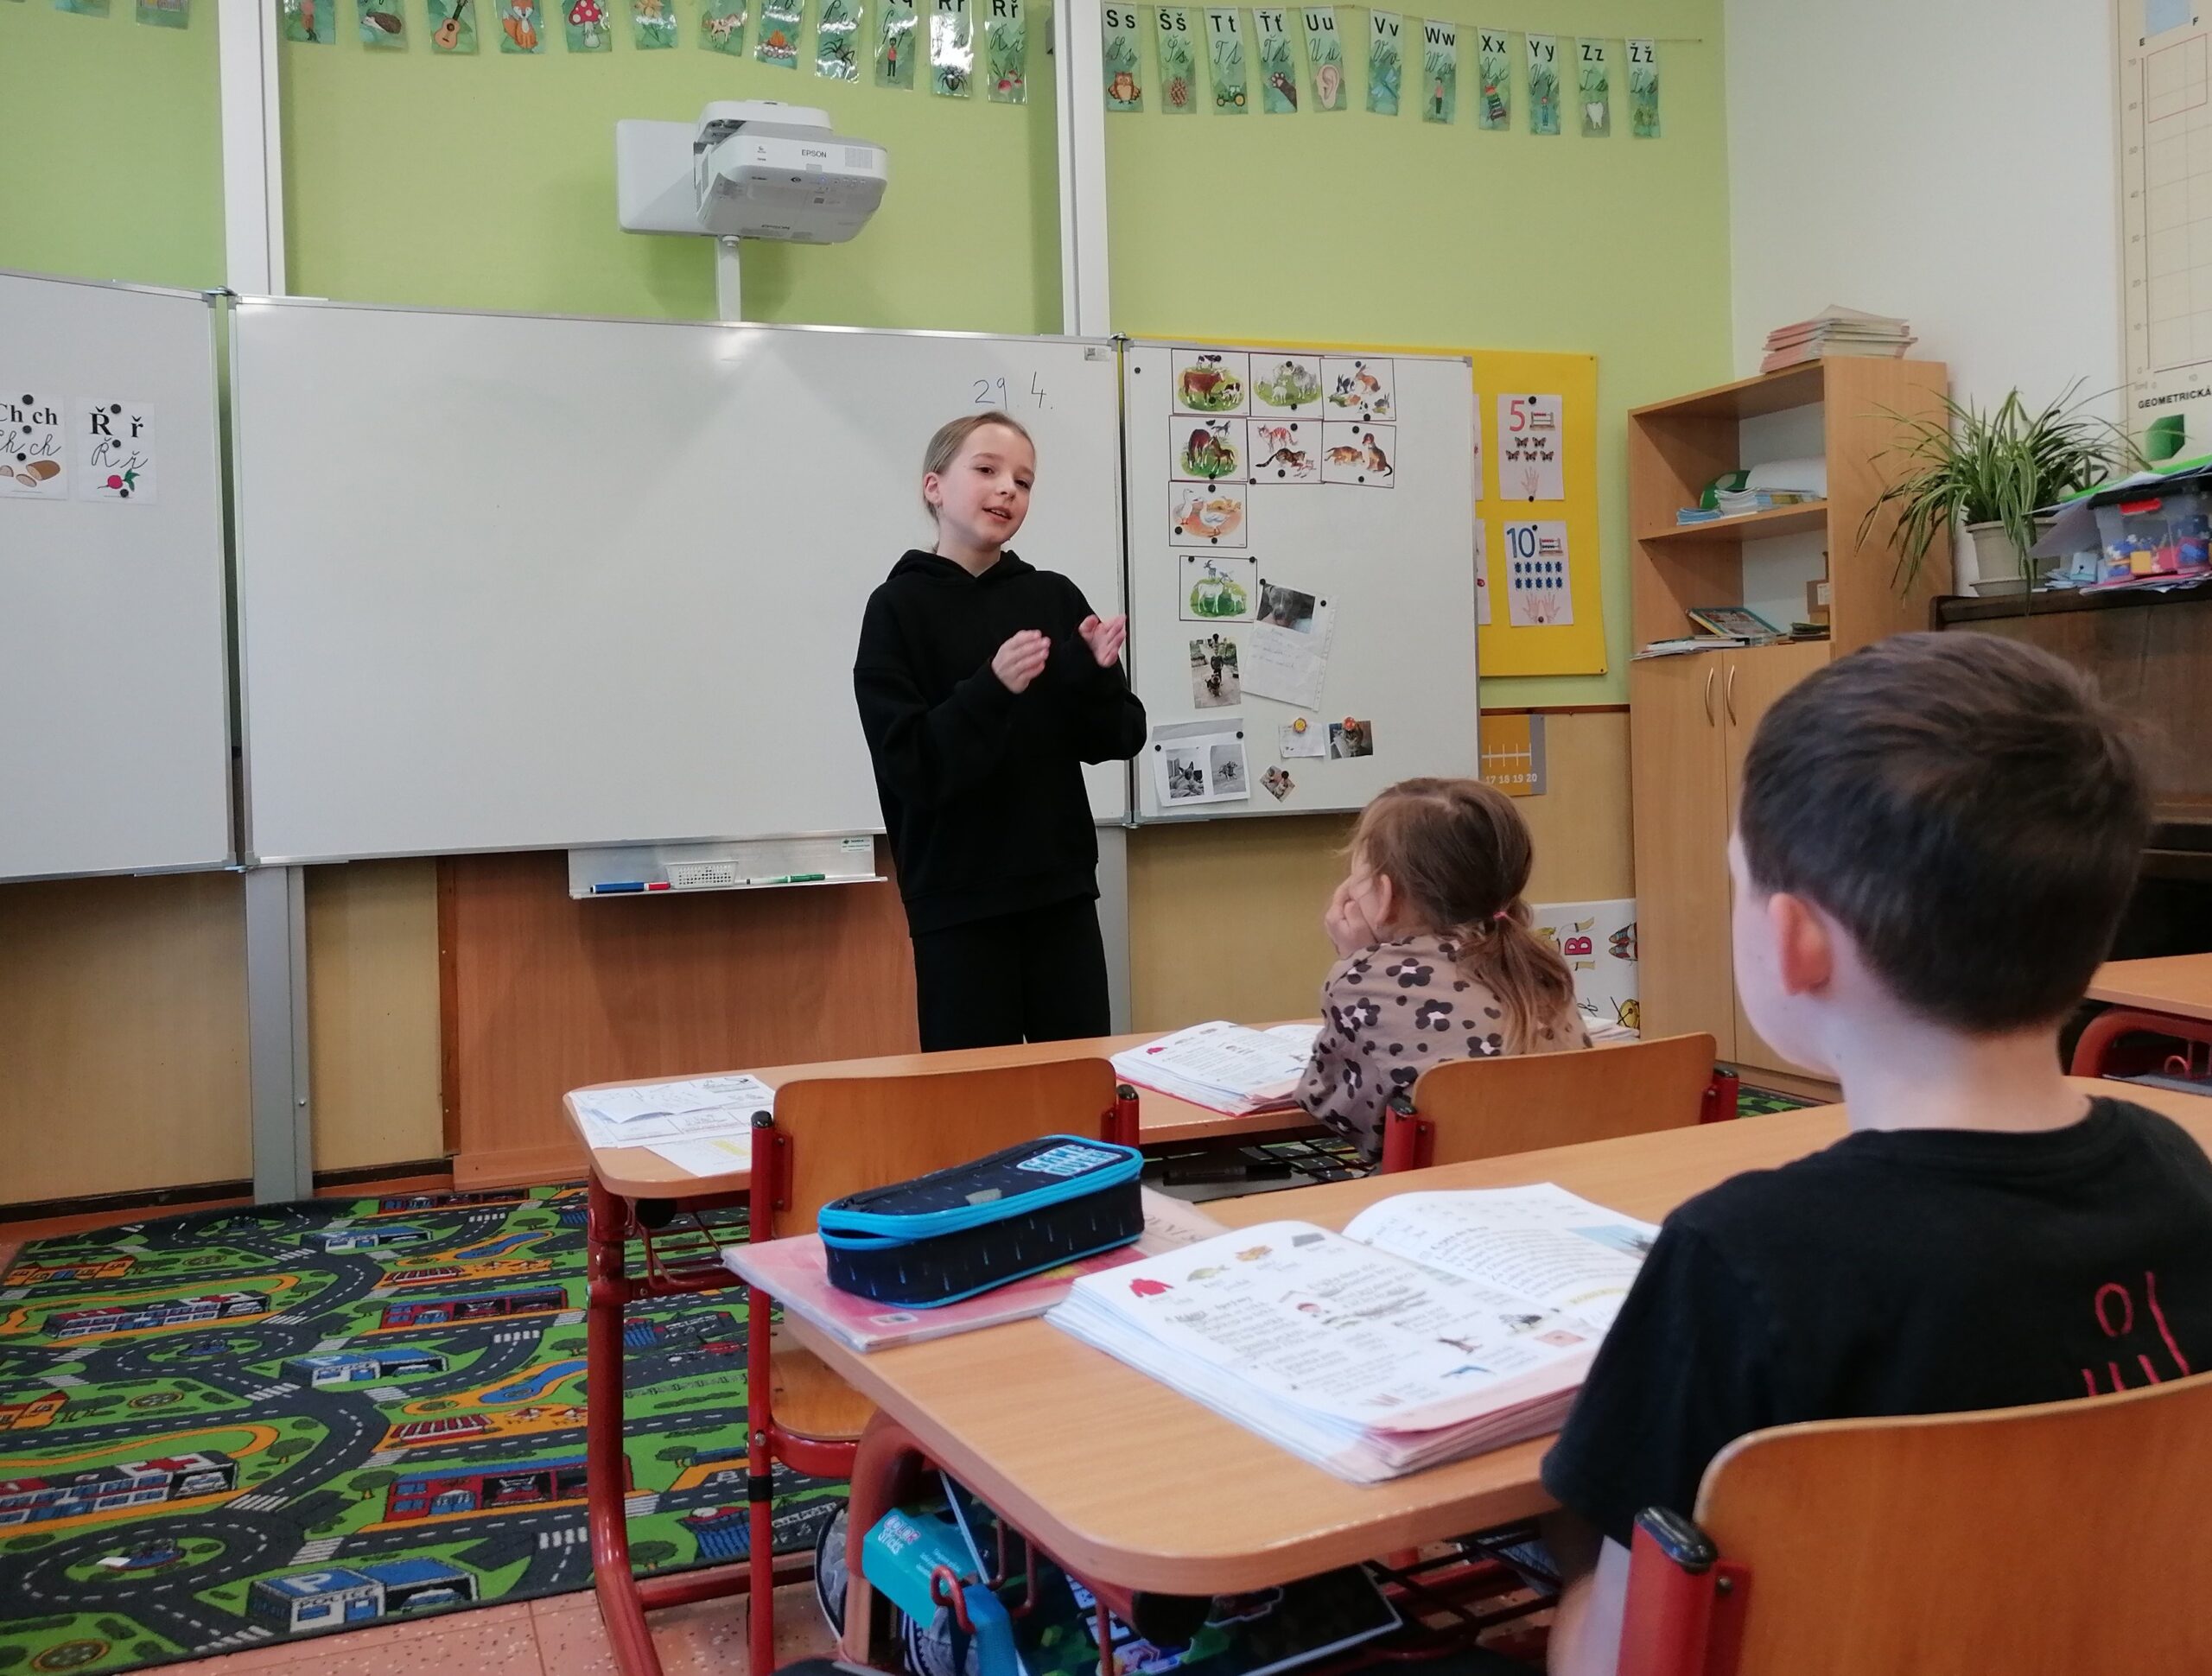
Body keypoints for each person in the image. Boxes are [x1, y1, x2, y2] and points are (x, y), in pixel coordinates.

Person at [1539, 633, 2212, 1675]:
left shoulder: (1739, 1254)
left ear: (1795, 939)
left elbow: (1616, 1663)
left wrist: (1571, 1581)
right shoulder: (2179, 1173)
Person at [855, 413, 1145, 1051]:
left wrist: (1095, 675)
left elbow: (1119, 737)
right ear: (934, 487)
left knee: (1074, 1079)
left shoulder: (1053, 596)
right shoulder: (896, 608)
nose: (1008, 488)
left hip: (1060, 890)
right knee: (975, 1093)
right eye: (986, 469)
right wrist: (991, 687)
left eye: (1024, 480)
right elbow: (911, 765)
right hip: (955, 899)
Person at [1296, 777, 1587, 1160]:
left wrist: (1357, 960)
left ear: (1384, 895)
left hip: (1442, 1190)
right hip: (1558, 1180)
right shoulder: (1537, 963)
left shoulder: (1361, 979)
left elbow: (1332, 1108)